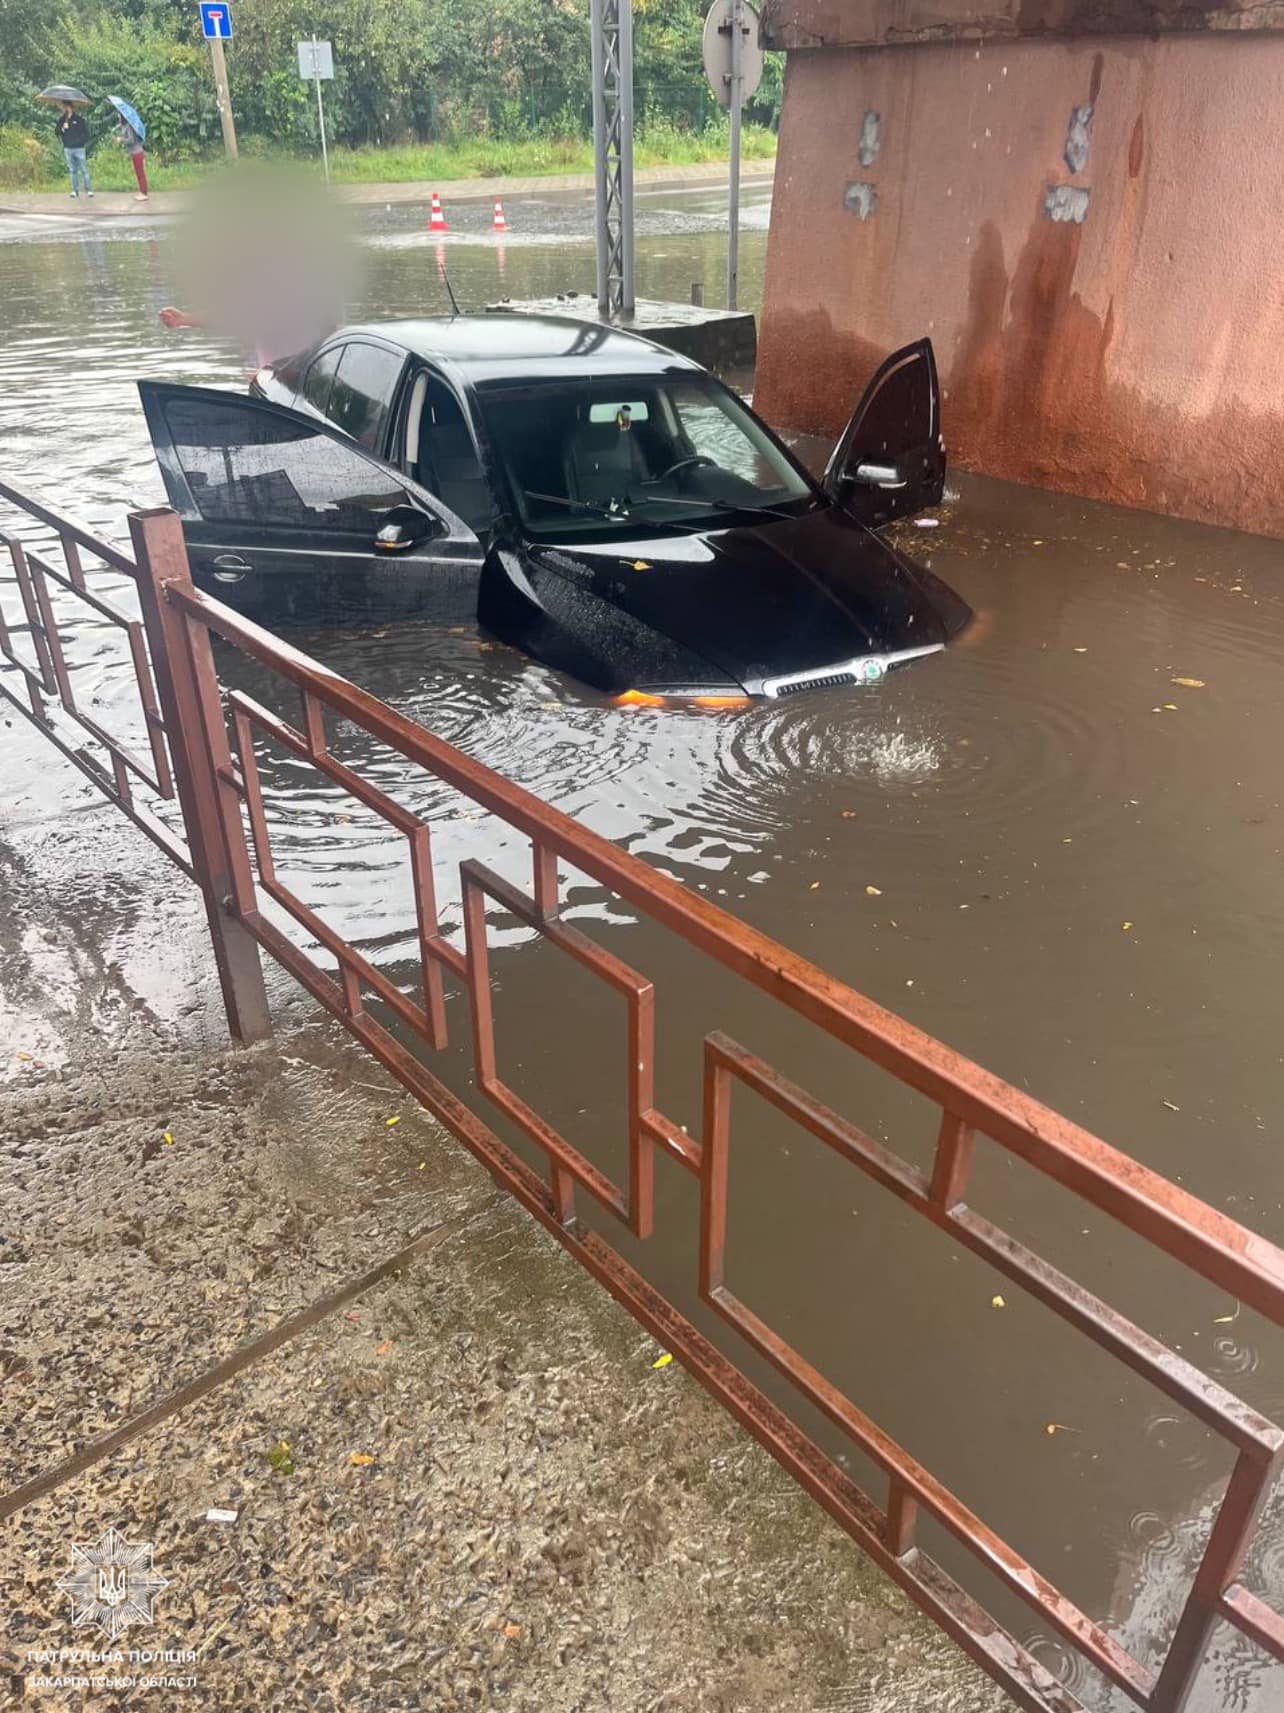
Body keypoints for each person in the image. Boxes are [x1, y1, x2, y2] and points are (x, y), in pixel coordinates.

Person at [56, 104, 92, 200]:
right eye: (64, 108)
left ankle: (88, 190)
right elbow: (57, 132)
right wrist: (63, 128)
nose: (66, 109)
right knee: (72, 170)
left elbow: (86, 134)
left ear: (72, 108)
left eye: (67, 107)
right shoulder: (62, 120)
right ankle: (74, 191)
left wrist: (80, 142)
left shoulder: (79, 119)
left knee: (84, 169)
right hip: (68, 148)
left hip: (79, 148)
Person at [116, 110, 148, 201]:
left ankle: (144, 193)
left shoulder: (129, 126)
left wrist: (121, 140)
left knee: (140, 173)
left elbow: (131, 140)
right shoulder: (125, 126)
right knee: (138, 173)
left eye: (119, 115)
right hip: (134, 153)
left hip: (137, 152)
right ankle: (142, 192)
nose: (118, 117)